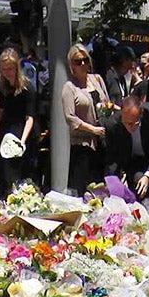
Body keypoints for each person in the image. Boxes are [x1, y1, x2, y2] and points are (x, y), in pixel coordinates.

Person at [60, 45, 106, 193]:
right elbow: (70, 118)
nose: (83, 64)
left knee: (102, 188)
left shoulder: (97, 79)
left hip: (102, 142)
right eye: (78, 61)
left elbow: (107, 103)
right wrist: (93, 129)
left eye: (85, 60)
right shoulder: (69, 87)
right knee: (83, 189)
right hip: (82, 145)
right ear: (72, 65)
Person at [0, 47, 35, 198]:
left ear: (17, 68)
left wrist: (21, 141)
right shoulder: (3, 88)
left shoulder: (27, 88)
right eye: (4, 69)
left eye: (10, 69)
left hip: (21, 133)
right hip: (6, 133)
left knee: (18, 176)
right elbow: (0, 112)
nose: (7, 72)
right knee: (5, 176)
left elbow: (30, 117)